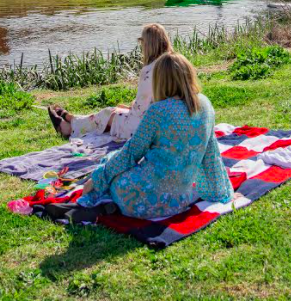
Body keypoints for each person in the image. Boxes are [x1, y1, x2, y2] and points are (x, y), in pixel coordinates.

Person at [75, 51, 233, 219]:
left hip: (143, 201)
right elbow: (211, 154)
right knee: (116, 163)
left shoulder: (159, 111)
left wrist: (96, 180)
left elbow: (131, 153)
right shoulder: (205, 104)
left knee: (112, 164)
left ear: (160, 80)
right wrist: (219, 191)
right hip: (180, 200)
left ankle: (98, 195)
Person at [47, 24, 172, 141]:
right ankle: (71, 120)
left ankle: (68, 126)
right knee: (111, 113)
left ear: (147, 45)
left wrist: (131, 106)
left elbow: (140, 108)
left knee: (109, 113)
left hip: (146, 126)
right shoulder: (172, 64)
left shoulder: (149, 71)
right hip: (166, 122)